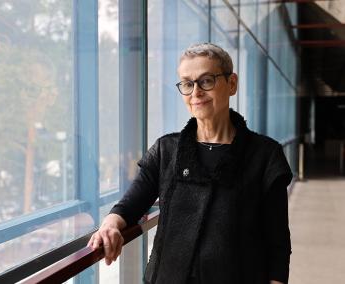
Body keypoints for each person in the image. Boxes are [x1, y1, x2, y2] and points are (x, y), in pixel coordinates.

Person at [88, 43, 292, 284]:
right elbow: (130, 205)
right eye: (187, 83)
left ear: (232, 84)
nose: (196, 92)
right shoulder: (166, 150)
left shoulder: (265, 155)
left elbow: (277, 243)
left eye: (206, 81)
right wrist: (110, 224)